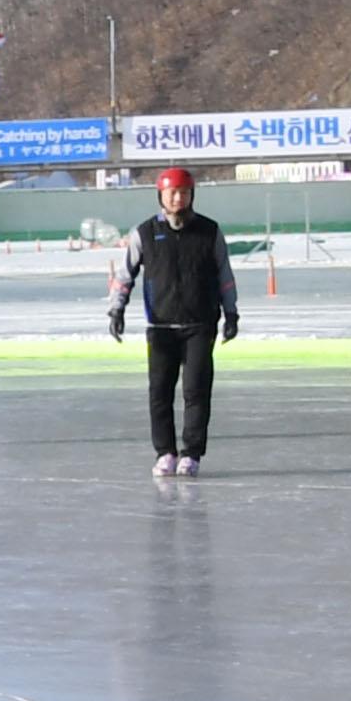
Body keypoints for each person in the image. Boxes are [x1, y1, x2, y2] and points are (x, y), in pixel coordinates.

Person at [108, 165, 239, 477]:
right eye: (172, 193)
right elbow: (125, 275)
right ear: (161, 196)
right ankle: (165, 452)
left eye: (184, 193)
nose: (178, 198)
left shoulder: (209, 232)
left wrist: (231, 313)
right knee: (160, 393)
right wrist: (117, 309)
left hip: (200, 324)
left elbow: (225, 276)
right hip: (161, 327)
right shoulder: (145, 234)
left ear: (192, 195)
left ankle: (191, 454)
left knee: (196, 391)